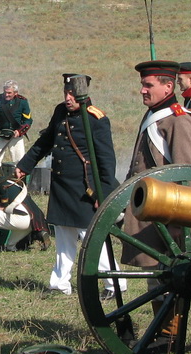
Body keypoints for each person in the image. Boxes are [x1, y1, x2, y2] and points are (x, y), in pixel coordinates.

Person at [15, 74, 119, 297]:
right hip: (62, 187)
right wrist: (25, 165)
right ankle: (60, 283)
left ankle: (113, 283)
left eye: (72, 94)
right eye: (65, 93)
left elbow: (107, 160)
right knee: (63, 237)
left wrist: (105, 192)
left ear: (83, 94)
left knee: (91, 238)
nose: (68, 98)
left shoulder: (96, 119)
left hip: (85, 190)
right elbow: (46, 141)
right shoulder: (60, 111)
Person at [121, 61, 191, 316]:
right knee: (156, 278)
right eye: (142, 85)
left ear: (167, 87)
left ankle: (168, 336)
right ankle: (162, 334)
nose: (143, 90)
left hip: (168, 215)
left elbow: (186, 174)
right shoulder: (153, 115)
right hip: (153, 212)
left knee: (167, 279)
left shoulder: (177, 121)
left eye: (148, 85)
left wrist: (181, 220)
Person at [0, 80, 32, 178]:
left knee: (20, 163)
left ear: (16, 93)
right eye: (5, 92)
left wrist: (19, 131)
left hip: (16, 135)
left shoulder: (23, 101)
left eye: (9, 93)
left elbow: (28, 120)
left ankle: (21, 187)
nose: (6, 95)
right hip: (0, 134)